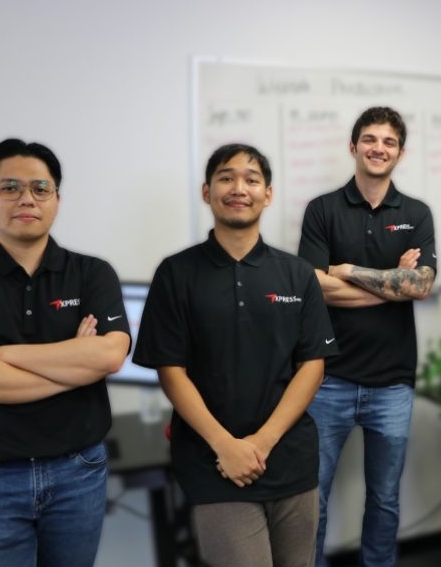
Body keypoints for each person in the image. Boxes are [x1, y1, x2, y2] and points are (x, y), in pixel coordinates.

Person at [0, 139, 132, 567]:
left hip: (78, 471)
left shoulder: (92, 273)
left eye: (41, 188)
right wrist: (74, 361)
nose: (27, 198)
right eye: (10, 188)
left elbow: (109, 357)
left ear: (57, 199)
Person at [133, 144, 338, 567]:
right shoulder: (176, 273)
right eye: (226, 178)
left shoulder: (297, 273)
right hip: (215, 463)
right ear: (207, 192)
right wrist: (225, 446)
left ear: (268, 194)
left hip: (290, 458)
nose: (238, 187)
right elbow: (171, 371)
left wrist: (261, 442)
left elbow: (312, 367)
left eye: (251, 179)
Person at [298, 106, 436, 567]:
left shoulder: (416, 213)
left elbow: (420, 285)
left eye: (390, 142)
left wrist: (349, 271)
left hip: (392, 384)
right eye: (371, 139)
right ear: (353, 146)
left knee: (384, 501)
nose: (380, 148)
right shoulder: (322, 210)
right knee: (310, 501)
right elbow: (315, 288)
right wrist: (391, 284)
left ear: (400, 152)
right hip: (327, 378)